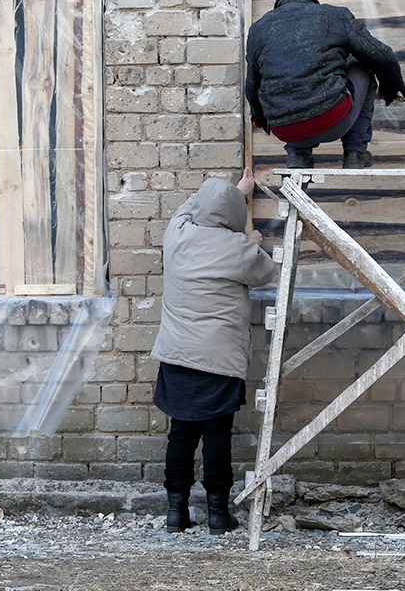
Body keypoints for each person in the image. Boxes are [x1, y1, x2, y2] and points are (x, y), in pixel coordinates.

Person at [151, 167, 278, 534]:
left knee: (182, 433)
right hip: (219, 361)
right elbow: (265, 272)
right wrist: (253, 242)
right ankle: (219, 515)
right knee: (217, 436)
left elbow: (191, 207)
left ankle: (176, 513)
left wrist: (231, 192)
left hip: (177, 357)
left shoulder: (176, 234)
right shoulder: (238, 249)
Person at [245, 0, 405, 169]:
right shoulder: (333, 16)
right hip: (332, 119)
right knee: (362, 65)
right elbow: (381, 55)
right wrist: (390, 89)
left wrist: (261, 118)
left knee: (285, 76)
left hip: (285, 129)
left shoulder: (258, 29)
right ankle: (355, 152)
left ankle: (298, 156)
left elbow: (252, 84)